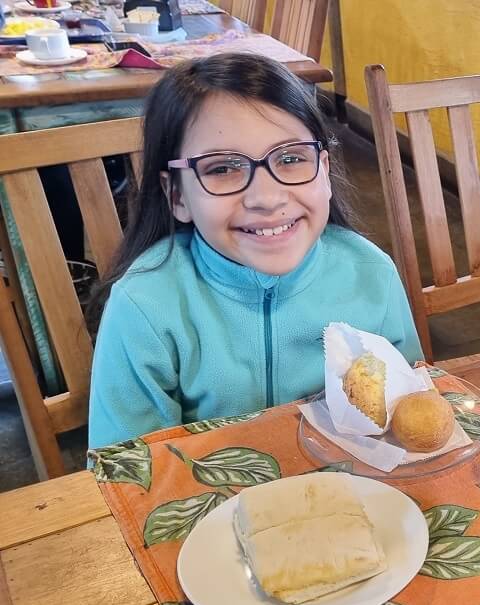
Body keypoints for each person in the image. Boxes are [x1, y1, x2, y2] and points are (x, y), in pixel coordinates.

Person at [87, 53, 423, 449]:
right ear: (176, 195)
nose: (266, 197)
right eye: (222, 168)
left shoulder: (371, 275)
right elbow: (129, 471)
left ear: (325, 171)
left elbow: (412, 414)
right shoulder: (145, 306)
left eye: (293, 158)